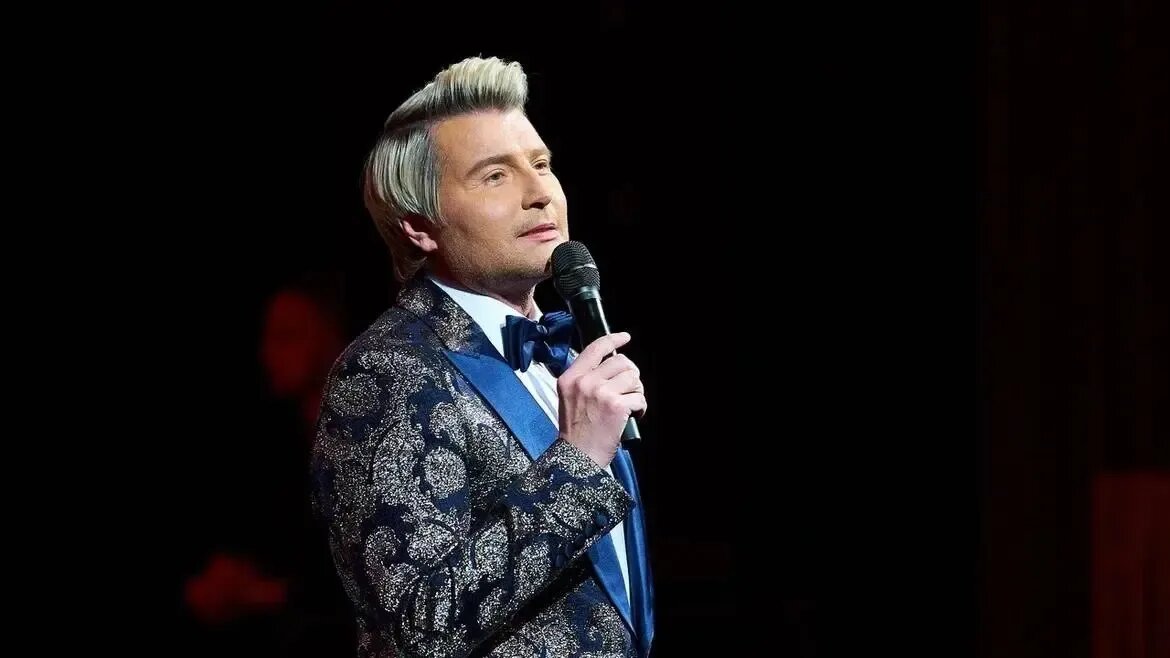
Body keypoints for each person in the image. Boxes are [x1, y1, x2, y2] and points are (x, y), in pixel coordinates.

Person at [310, 56, 655, 657]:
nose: (540, 194)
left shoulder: (560, 355)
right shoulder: (386, 371)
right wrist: (576, 462)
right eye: (495, 176)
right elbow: (420, 626)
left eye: (541, 165)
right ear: (419, 226)